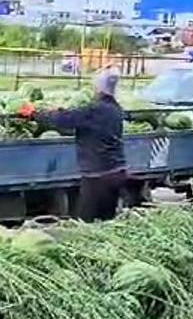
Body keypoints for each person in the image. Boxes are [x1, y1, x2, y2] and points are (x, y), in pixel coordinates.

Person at [21, 70, 127, 221]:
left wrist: (34, 113)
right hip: (117, 171)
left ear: (98, 88)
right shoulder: (116, 109)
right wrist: (59, 110)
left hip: (97, 175)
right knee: (107, 219)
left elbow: (63, 120)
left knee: (87, 220)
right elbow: (74, 116)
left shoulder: (94, 110)